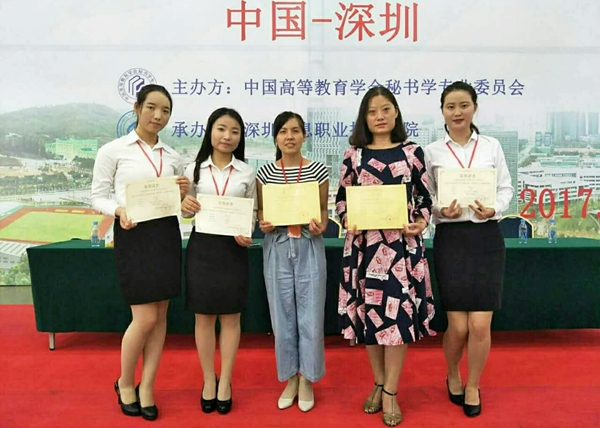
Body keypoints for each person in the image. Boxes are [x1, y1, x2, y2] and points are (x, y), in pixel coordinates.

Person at [336, 86, 436, 427]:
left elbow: (425, 198)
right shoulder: (353, 155)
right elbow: (341, 199)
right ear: (364, 118)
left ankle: (391, 390)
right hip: (364, 249)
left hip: (400, 249)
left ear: (396, 113)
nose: (379, 116)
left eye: (385, 109)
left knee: (397, 319)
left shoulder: (411, 152)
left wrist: (419, 221)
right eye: (372, 111)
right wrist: (347, 218)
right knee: (370, 317)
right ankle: (378, 382)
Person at [91, 84, 189, 421]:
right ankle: (124, 382)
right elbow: (97, 196)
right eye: (151, 108)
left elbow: (178, 204)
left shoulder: (172, 156)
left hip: (165, 235)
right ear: (137, 108)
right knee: (144, 317)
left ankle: (147, 385)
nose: (158, 116)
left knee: (160, 316)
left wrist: (183, 193)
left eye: (165, 111)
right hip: (133, 234)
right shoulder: (113, 151)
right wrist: (119, 211)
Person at [424, 81, 514, 418]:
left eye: (464, 105)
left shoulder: (491, 146)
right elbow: (426, 197)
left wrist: (494, 208)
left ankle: (473, 383)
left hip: (486, 238)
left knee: (479, 326)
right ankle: (453, 373)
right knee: (458, 327)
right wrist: (439, 209)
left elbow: (505, 188)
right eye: (451, 106)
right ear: (442, 111)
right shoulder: (432, 151)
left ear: (474, 107)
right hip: (451, 240)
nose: (457, 112)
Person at [181, 107, 257, 415]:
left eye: (234, 131)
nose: (227, 136)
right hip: (203, 247)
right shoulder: (193, 170)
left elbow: (252, 211)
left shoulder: (247, 172)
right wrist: (185, 204)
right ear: (210, 131)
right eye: (221, 129)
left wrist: (247, 232)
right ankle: (208, 379)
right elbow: (185, 212)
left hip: (233, 249)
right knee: (203, 317)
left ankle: (225, 380)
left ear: (240, 137)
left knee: (230, 318)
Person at [256, 111, 329, 413]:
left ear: (304, 136)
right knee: (282, 316)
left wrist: (321, 225)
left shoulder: (318, 170)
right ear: (276, 137)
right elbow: (262, 213)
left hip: (309, 244)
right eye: (283, 131)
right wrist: (263, 223)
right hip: (278, 245)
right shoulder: (264, 173)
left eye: (296, 131)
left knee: (311, 315)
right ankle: (289, 378)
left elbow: (323, 210)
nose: (290, 136)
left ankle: (308, 379)